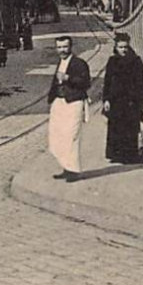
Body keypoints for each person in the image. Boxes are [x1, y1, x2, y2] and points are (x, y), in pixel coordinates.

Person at [47, 35, 91, 182]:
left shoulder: (79, 63)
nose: (62, 50)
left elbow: (86, 82)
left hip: (73, 102)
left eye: (65, 47)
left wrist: (68, 78)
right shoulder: (60, 62)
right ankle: (66, 167)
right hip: (59, 102)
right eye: (59, 47)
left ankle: (74, 170)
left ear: (71, 47)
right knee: (58, 135)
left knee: (71, 135)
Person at [101, 33, 143, 164]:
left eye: (125, 47)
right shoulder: (112, 61)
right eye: (120, 47)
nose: (123, 50)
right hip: (115, 100)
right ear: (116, 47)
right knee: (115, 127)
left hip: (131, 101)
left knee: (130, 128)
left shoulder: (136, 61)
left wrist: (139, 100)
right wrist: (106, 99)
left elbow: (140, 82)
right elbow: (107, 81)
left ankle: (130, 155)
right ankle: (116, 154)